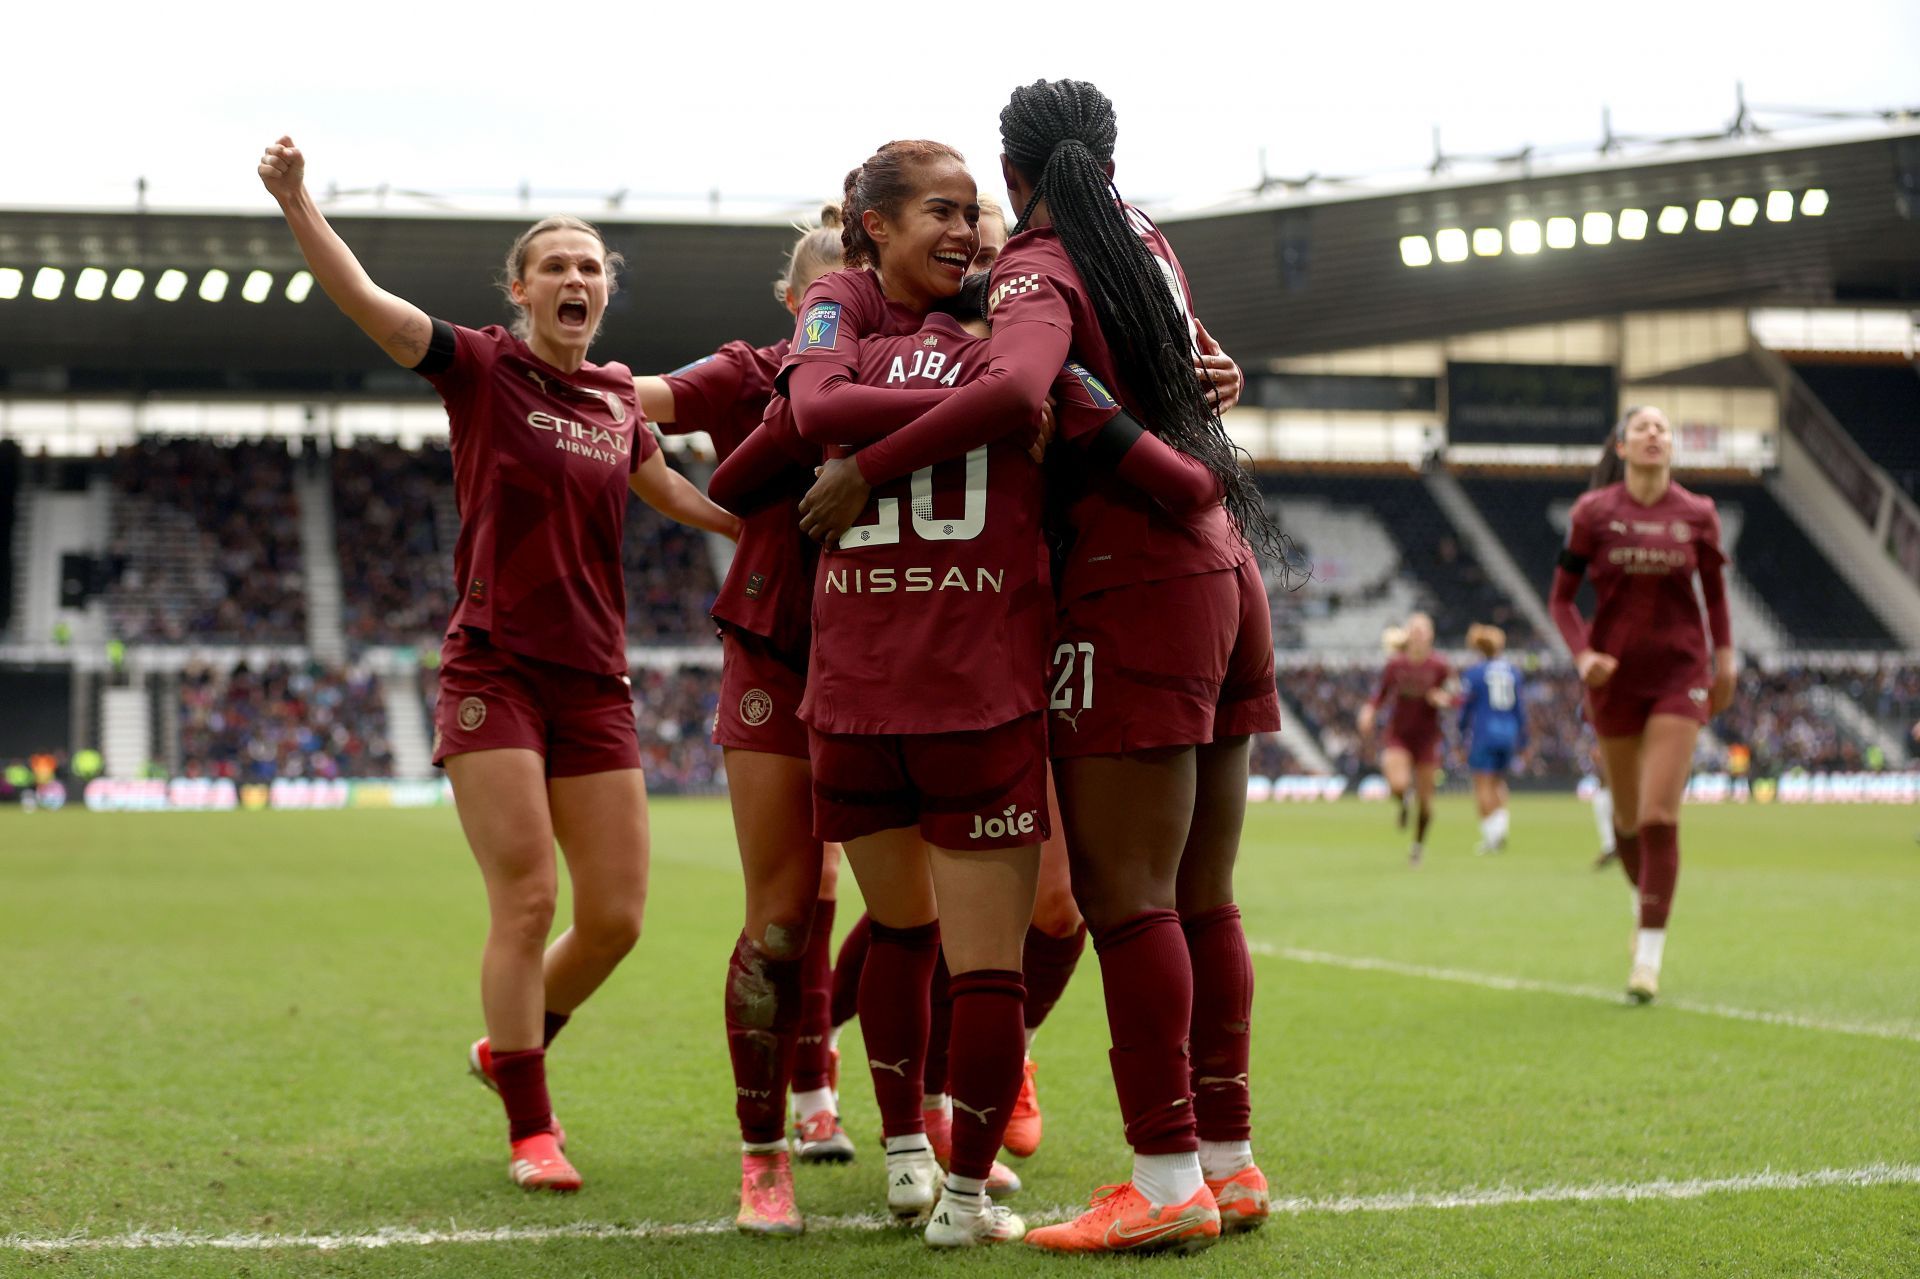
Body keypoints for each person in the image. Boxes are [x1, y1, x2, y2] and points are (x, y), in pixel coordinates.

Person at [794, 80, 1288, 1254]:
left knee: (1131, 901)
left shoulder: (1036, 267)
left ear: (1016, 178)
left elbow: (1021, 384)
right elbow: (1187, 369)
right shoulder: (1147, 241)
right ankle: (1228, 1156)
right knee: (1204, 895)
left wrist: (867, 472)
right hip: (1225, 571)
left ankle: (1165, 1175)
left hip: (1133, 584)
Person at [259, 137, 740, 1193]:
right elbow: (368, 301)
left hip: (595, 680)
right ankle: (532, 1127)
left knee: (615, 918)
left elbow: (682, 503)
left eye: (590, 266)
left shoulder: (620, 402)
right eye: (555, 265)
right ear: (519, 289)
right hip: (495, 671)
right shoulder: (481, 367)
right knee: (526, 900)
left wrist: (771, 533)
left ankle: (503, 1049)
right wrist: (301, 204)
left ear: (607, 290)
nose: (575, 278)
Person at [632, 211, 854, 1234]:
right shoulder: (746, 373)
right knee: (784, 911)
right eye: (821, 285)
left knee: (901, 909)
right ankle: (766, 1147)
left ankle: (907, 1118)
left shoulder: (924, 366)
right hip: (775, 650)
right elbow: (632, 401)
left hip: (900, 659)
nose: (838, 297)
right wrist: (534, 378)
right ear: (791, 300)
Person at [1549, 405, 1734, 1003]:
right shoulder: (1593, 514)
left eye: (1663, 428)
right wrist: (1583, 656)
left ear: (1672, 447)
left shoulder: (1698, 514)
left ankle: (1648, 961)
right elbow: (1560, 601)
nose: (1654, 434)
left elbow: (1716, 596)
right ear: (1622, 447)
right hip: (1614, 681)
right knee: (1627, 825)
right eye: (1642, 428)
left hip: (1682, 675)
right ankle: (1643, 905)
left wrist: (1725, 658)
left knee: (1658, 816)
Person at [1359, 612, 1452, 866]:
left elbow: (1456, 696)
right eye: (1415, 629)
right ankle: (1402, 803)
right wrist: (1368, 712)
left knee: (1426, 805)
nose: (1419, 634)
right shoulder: (1396, 665)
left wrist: (1443, 699)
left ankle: (1417, 847)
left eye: (1423, 630)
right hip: (1398, 735)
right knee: (1398, 785)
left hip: (1427, 739)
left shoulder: (1440, 666)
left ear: (1431, 635)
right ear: (1408, 634)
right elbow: (1380, 695)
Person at [1457, 624, 1528, 854]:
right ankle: (1500, 830)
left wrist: (1459, 738)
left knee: (1482, 784)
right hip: (1508, 734)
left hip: (1485, 734)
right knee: (1499, 782)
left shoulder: (1475, 674)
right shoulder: (1513, 672)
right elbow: (1520, 710)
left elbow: (1464, 710)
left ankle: (1492, 837)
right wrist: (1523, 741)